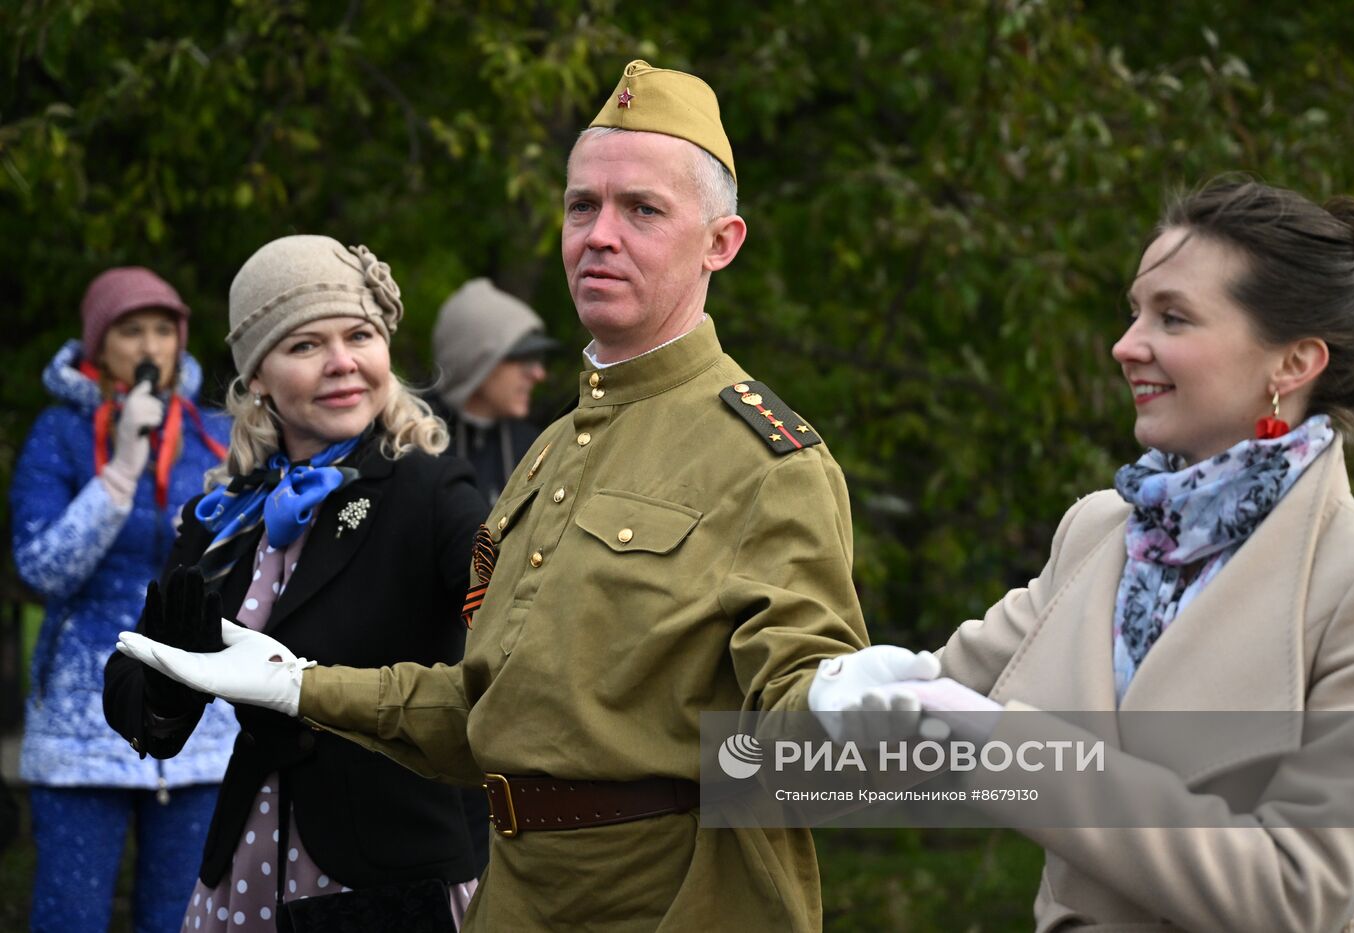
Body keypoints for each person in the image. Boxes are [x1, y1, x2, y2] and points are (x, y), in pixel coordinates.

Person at [112, 60, 905, 931]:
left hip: (666, 902)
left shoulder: (766, 460)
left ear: (721, 242)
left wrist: (841, 705)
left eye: (642, 209)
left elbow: (794, 729)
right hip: (515, 898)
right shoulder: (553, 451)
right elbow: (484, 714)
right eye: (581, 206)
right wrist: (297, 684)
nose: (599, 234)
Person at [813, 179, 1354, 931]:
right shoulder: (1101, 528)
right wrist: (851, 691)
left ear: (1293, 363)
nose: (1126, 345)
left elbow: (1299, 892)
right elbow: (934, 700)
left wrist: (1013, 752)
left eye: (1174, 317)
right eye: (1135, 311)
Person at [103, 235, 489, 931]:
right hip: (251, 862)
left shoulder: (430, 489)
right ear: (257, 377)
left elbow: (515, 606)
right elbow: (138, 708)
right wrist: (167, 680)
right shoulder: (223, 516)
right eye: (306, 345)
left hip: (393, 872)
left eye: (360, 335)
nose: (343, 362)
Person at [10, 266, 236, 933]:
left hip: (198, 719)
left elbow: (244, 564)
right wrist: (122, 468)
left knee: (184, 920)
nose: (149, 345)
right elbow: (42, 566)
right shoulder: (59, 433)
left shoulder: (214, 431)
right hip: (82, 729)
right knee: (70, 918)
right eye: (130, 329)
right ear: (96, 343)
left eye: (163, 329)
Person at [427, 278, 558, 503]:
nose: (538, 374)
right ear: (478, 361)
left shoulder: (534, 449)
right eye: (524, 360)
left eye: (538, 360)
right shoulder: (411, 440)